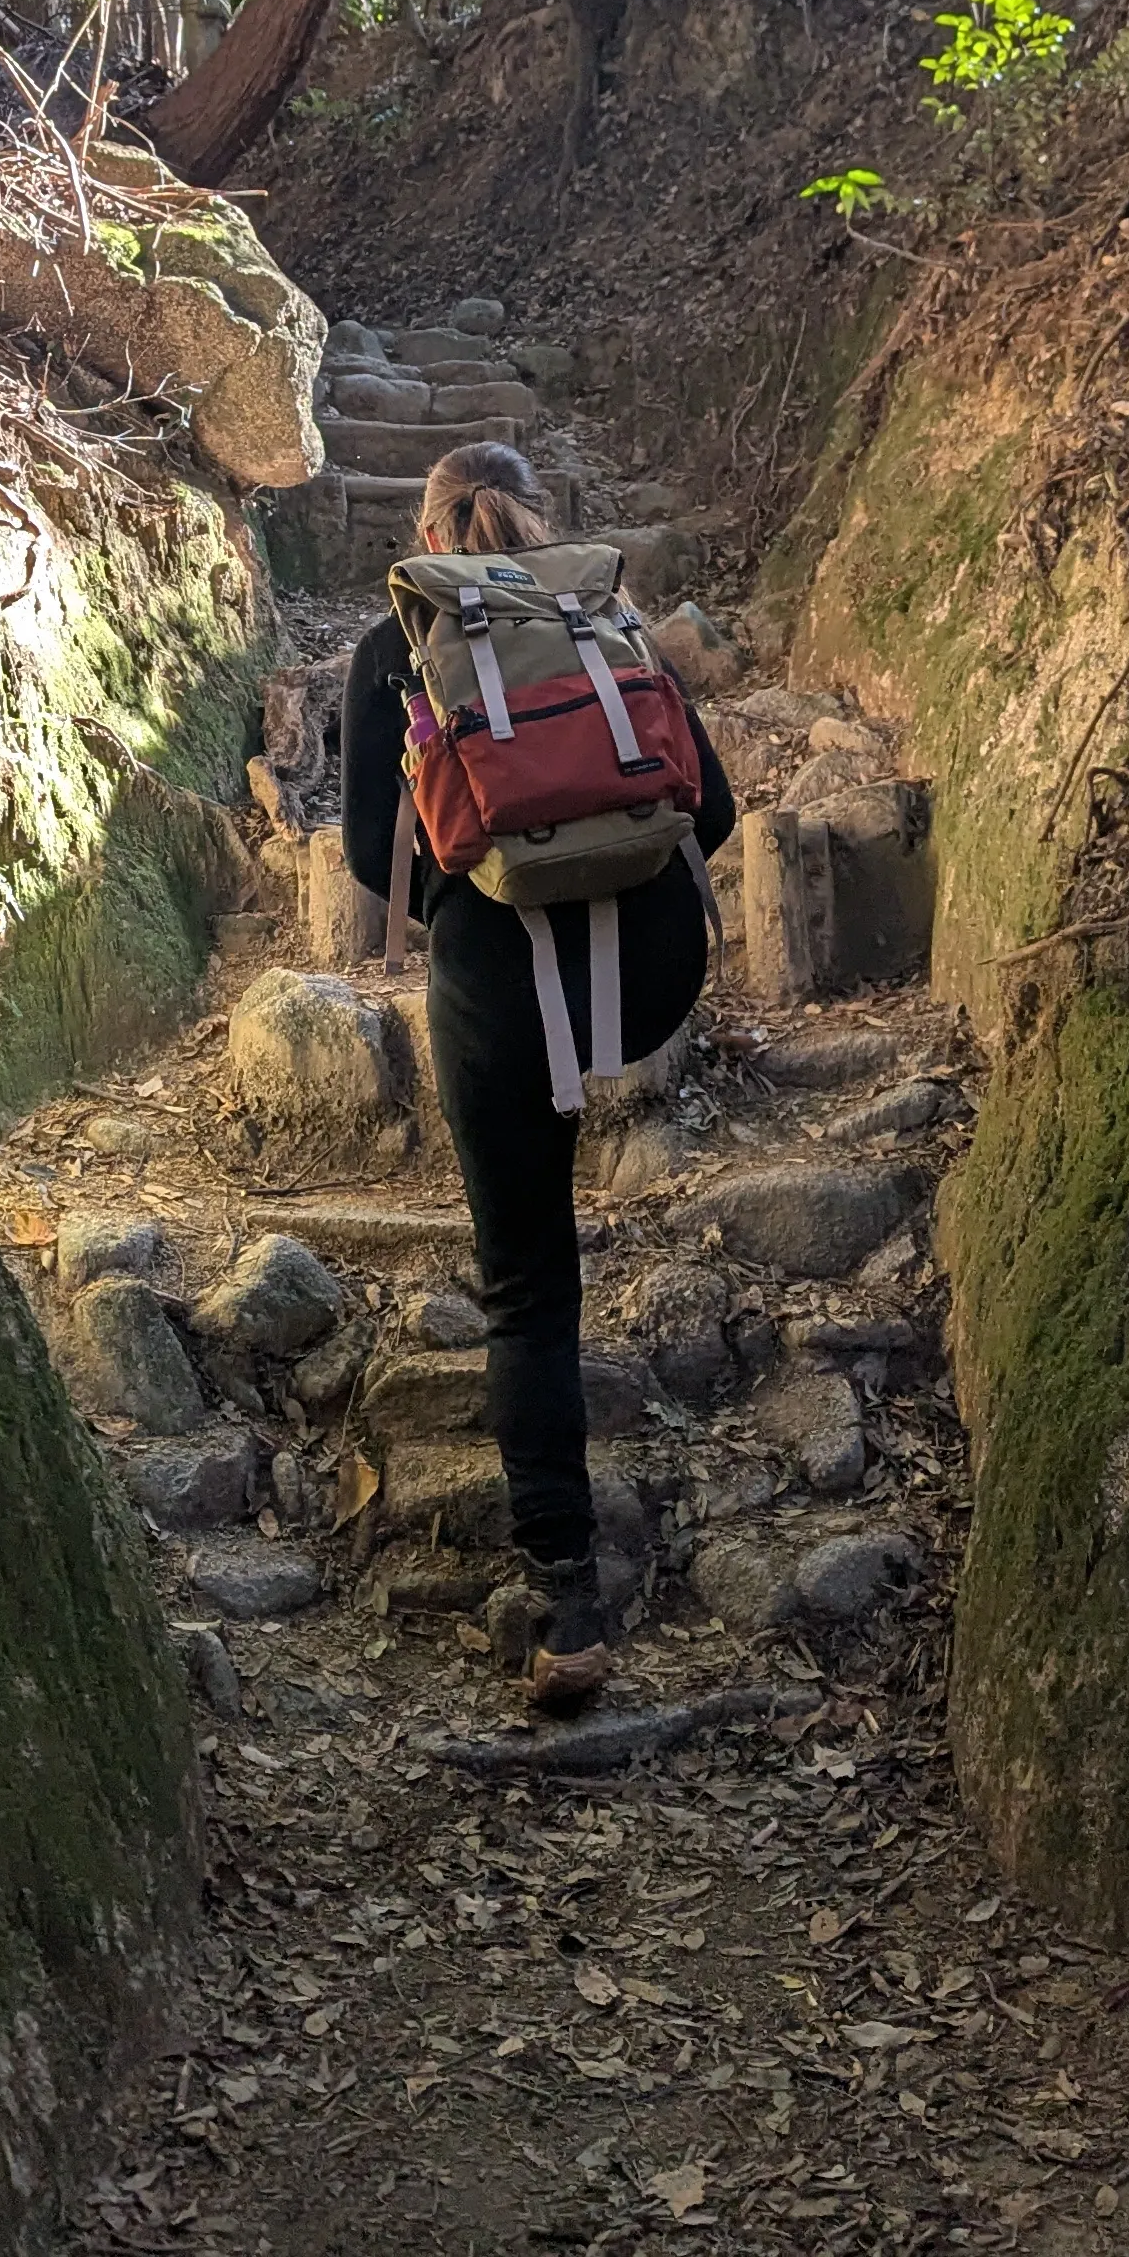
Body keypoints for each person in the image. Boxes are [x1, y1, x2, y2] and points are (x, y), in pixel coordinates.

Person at [342, 441, 735, 1712]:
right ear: (538, 517)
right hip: (653, 964)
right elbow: (714, 815)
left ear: (428, 530)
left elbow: (368, 859)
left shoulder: (396, 646)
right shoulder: (606, 615)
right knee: (557, 1154)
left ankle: (568, 1603)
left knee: (525, 1278)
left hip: (500, 984)